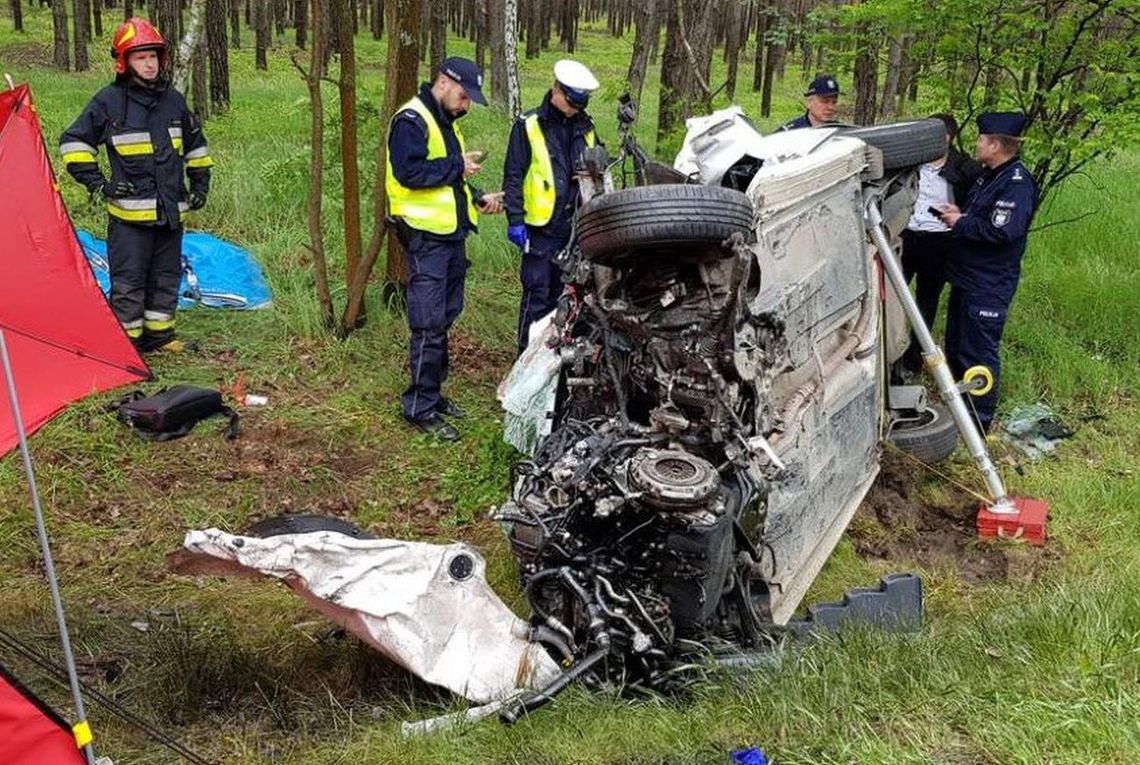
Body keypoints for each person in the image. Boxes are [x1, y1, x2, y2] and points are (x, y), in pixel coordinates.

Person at [59, 18, 212, 353]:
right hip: (129, 219)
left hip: (170, 212)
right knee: (129, 283)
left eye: (154, 56)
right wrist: (99, 184)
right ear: (124, 62)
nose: (149, 63)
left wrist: (200, 183)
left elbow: (196, 144)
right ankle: (127, 347)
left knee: (166, 276)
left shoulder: (173, 101)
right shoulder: (108, 102)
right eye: (141, 57)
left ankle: (160, 336)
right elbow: (73, 143)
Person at [386, 57, 503, 442]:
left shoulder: (445, 123)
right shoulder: (411, 120)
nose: (467, 105)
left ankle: (433, 395)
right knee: (429, 322)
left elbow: (449, 181)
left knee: (446, 315)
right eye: (465, 96)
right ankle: (419, 407)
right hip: (425, 238)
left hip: (450, 236)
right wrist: (455, 167)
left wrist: (478, 197)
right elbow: (410, 173)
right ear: (444, 82)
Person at [936, 112, 1038, 433]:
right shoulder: (988, 175)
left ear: (995, 144)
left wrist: (961, 223)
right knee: (955, 346)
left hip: (989, 284)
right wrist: (960, 214)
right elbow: (982, 216)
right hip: (967, 278)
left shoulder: (1017, 183)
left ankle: (978, 424)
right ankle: (959, 413)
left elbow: (1002, 232)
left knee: (977, 353)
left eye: (982, 140)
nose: (977, 144)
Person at [503, 59, 600, 355]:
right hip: (540, 228)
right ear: (555, 89)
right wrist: (515, 218)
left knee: (568, 298)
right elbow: (514, 174)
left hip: (574, 229)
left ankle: (556, 364)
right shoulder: (528, 125)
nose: (574, 109)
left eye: (579, 104)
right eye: (571, 102)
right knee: (537, 295)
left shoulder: (587, 127)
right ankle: (525, 362)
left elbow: (598, 166)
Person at [894, 113, 983, 380]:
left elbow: (974, 204)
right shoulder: (912, 162)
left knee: (926, 302)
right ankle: (889, 350)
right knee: (895, 296)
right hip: (907, 236)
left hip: (939, 242)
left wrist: (960, 219)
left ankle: (913, 361)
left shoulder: (964, 168)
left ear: (947, 138)